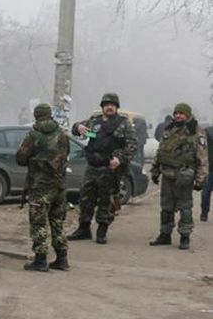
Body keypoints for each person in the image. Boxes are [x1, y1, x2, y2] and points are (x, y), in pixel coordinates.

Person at [67, 93, 136, 245]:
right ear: (102, 107)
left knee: (107, 201)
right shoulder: (94, 121)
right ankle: (83, 229)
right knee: (86, 199)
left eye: (112, 105)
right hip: (92, 167)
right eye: (106, 105)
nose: (109, 107)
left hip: (110, 168)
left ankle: (102, 231)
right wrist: (78, 127)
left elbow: (132, 146)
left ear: (116, 107)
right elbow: (77, 130)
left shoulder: (123, 123)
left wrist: (120, 159)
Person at [16, 103, 71, 272]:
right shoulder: (62, 134)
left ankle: (40, 260)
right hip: (59, 185)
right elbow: (66, 154)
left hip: (39, 187)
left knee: (39, 222)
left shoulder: (33, 135)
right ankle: (62, 258)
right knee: (57, 221)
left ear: (36, 116)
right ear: (50, 115)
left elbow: (20, 158)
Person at [149, 103, 209, 250]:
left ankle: (185, 237)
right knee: (166, 207)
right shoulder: (169, 129)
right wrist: (155, 170)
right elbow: (161, 151)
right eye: (176, 113)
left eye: (181, 113)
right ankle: (165, 234)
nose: (178, 116)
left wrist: (201, 179)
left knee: (185, 208)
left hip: (184, 177)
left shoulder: (196, 131)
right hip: (167, 175)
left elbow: (202, 157)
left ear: (187, 115)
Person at [201, 124, 213, 222]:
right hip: (209, 169)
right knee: (205, 193)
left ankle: (204, 213)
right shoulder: (207, 132)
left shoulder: (206, 131)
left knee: (205, 193)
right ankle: (204, 213)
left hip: (208, 167)